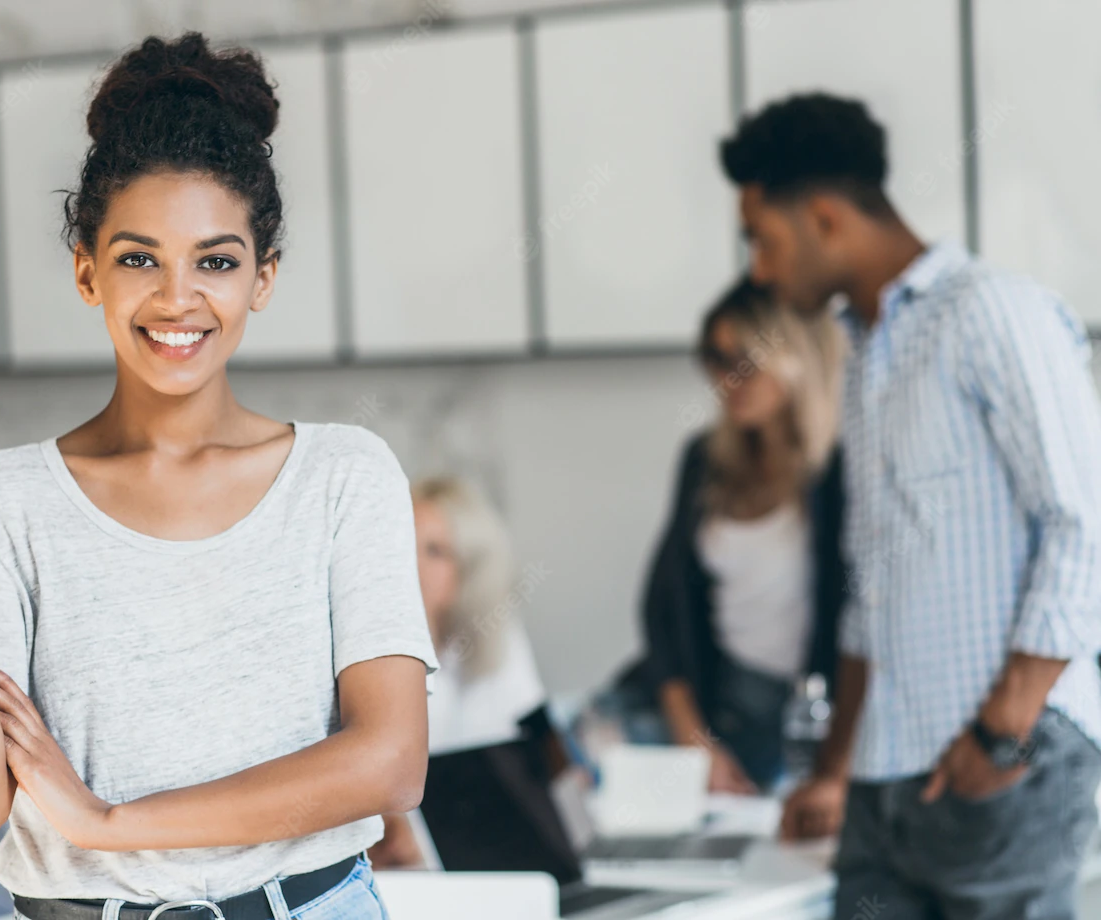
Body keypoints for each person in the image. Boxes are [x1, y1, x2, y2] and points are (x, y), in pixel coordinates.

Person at [0, 32, 439, 920]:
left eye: (217, 261)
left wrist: (109, 822)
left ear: (263, 277)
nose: (177, 298)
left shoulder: (344, 478)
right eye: (137, 257)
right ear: (88, 272)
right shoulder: (6, 503)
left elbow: (390, 764)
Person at [722, 92, 1101, 919]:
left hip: (1000, 768)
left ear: (824, 217)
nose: (758, 269)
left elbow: (1086, 526)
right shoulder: (862, 354)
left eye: (763, 238)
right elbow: (872, 596)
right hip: (884, 777)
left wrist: (1002, 736)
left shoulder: (990, 312)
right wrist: (832, 766)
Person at [601, 277, 848, 794]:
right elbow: (663, 608)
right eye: (713, 358)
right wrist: (695, 739)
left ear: (796, 356)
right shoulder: (705, 460)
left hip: (803, 717)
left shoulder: (839, 474)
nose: (725, 377)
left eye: (744, 359)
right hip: (709, 701)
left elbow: (857, 623)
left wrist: (833, 764)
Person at [370, 476, 548, 868]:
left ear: (471, 569)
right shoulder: (368, 651)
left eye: (435, 551)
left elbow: (527, 750)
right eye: (403, 541)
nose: (411, 562)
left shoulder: (499, 638)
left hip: (486, 850)